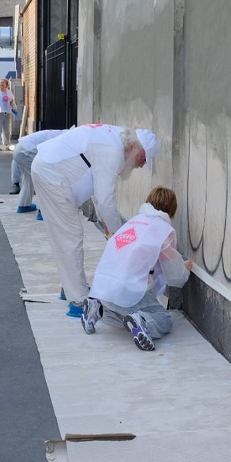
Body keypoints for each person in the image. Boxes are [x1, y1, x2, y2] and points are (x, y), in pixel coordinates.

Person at [30, 124, 159, 317]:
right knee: (70, 237)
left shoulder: (114, 140)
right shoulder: (113, 151)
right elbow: (106, 200)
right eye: (143, 158)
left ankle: (72, 287)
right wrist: (120, 237)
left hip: (50, 169)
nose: (141, 165)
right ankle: (78, 300)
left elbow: (100, 193)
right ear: (134, 147)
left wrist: (107, 225)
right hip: (51, 175)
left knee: (67, 237)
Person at [81, 186, 193, 351]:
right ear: (172, 211)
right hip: (129, 286)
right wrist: (185, 269)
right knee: (164, 319)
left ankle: (98, 308)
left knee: (117, 316)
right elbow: (174, 275)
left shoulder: (133, 222)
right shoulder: (163, 230)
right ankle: (143, 322)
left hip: (103, 287)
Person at [12, 128, 66, 214]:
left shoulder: (60, 134)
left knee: (28, 178)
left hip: (20, 149)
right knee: (44, 179)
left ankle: (24, 205)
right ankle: (44, 212)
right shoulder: (64, 141)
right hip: (27, 151)